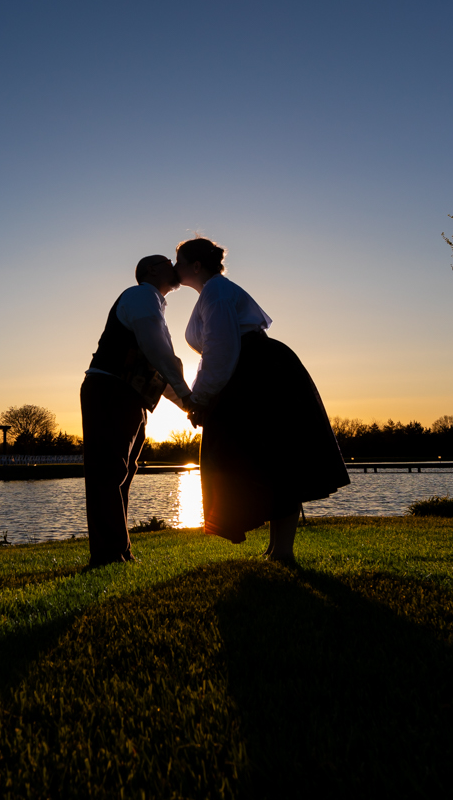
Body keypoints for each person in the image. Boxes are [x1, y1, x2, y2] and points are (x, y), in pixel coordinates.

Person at [176, 236, 348, 563]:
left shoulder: (216, 292)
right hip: (252, 372)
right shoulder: (212, 293)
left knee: (277, 458)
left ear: (195, 266)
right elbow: (214, 353)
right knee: (269, 459)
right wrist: (202, 395)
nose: (175, 267)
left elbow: (222, 350)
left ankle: (282, 551)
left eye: (179, 261)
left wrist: (200, 398)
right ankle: (276, 549)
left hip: (260, 373)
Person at [80, 254, 195, 566]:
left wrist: (188, 404)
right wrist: (188, 397)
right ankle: (108, 555)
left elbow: (155, 369)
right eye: (168, 261)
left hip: (127, 397)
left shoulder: (152, 302)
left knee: (122, 474)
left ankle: (118, 551)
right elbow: (158, 354)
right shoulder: (142, 296)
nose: (175, 265)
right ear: (152, 270)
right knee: (109, 473)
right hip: (109, 391)